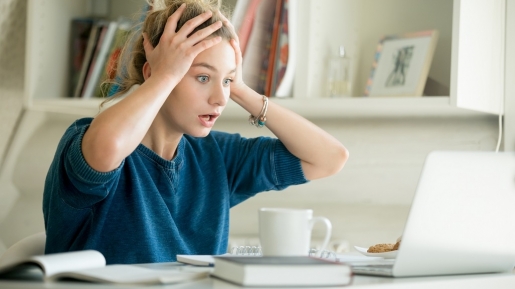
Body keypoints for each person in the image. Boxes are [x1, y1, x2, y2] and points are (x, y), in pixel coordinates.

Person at [43, 0, 348, 265]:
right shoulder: (86, 139)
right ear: (155, 73)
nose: (220, 99)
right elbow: (108, 148)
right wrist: (165, 76)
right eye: (202, 77)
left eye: (226, 82)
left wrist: (241, 90)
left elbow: (329, 158)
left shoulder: (218, 156)